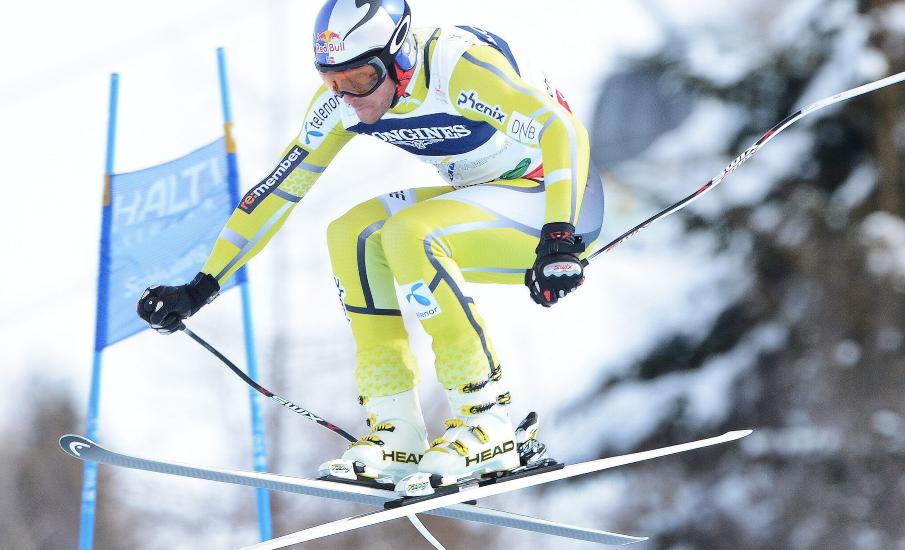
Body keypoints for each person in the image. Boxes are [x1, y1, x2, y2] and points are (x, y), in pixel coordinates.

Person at [137, 0, 603, 488]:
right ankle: (396, 429)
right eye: (331, 80)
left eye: (359, 79)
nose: (347, 96)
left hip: (559, 203)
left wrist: (559, 236)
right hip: (487, 198)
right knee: (351, 234)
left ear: (399, 55)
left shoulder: (457, 68)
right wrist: (201, 285)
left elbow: (562, 128)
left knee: (409, 233)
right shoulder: (343, 103)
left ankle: (487, 418)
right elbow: (278, 190)